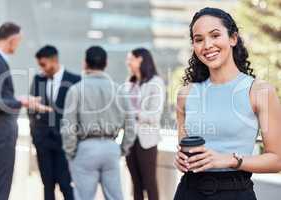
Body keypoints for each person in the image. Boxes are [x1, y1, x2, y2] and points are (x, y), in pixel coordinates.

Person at [174, 7, 281, 200]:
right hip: (188, 191)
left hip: (235, 193)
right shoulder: (185, 94)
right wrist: (181, 160)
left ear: (233, 38)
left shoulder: (259, 91)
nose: (207, 45)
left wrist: (229, 160)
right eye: (199, 39)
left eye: (215, 35)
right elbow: (184, 149)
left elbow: (277, 160)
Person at [0, 22, 51, 200]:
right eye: (18, 42)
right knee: (1, 186)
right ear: (12, 40)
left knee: (0, 184)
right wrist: (21, 101)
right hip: (1, 131)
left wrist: (19, 100)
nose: (18, 46)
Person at [61, 46, 136, 200]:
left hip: (85, 148)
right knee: (115, 197)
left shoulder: (75, 90)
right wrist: (121, 149)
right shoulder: (118, 90)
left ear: (85, 63)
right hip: (110, 147)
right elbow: (131, 126)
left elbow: (68, 127)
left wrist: (71, 153)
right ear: (106, 63)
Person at [28, 45, 81, 200]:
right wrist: (35, 135)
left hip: (65, 144)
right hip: (43, 142)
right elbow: (32, 108)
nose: (42, 69)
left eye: (43, 64)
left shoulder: (74, 80)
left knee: (66, 184)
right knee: (47, 185)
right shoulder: (38, 79)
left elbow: (80, 113)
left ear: (54, 60)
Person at [125, 48, 166, 200]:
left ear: (140, 59)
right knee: (135, 184)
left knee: (149, 183)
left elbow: (155, 116)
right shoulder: (130, 83)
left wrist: (133, 112)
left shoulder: (156, 83)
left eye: (130, 59)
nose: (127, 62)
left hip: (147, 141)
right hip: (129, 140)